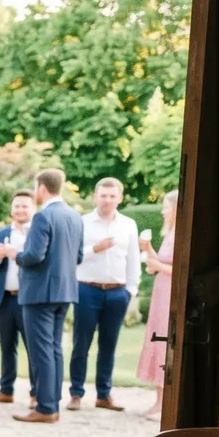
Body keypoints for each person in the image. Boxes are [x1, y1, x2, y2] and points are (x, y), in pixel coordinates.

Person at [15, 169, 84, 423]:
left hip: (39, 293)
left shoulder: (43, 216)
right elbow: (78, 257)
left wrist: (16, 254)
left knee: (42, 350)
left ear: (42, 188)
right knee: (54, 348)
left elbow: (33, 256)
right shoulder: (75, 217)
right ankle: (51, 404)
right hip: (65, 291)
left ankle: (45, 408)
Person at [70, 177, 141, 412]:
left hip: (117, 292)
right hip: (87, 289)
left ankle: (104, 394)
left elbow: (133, 260)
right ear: (95, 197)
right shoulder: (82, 223)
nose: (107, 200)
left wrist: (131, 290)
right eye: (103, 195)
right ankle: (76, 393)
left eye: (112, 196)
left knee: (109, 345)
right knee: (81, 344)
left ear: (119, 198)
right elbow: (74, 256)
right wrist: (95, 249)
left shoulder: (128, 225)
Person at [0, 191, 36, 406]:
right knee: (7, 347)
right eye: (17, 206)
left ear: (33, 208)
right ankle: (6, 389)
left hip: (29, 299)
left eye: (24, 206)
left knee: (33, 348)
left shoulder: (37, 233)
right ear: (11, 209)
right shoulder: (1, 233)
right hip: (4, 299)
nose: (20, 210)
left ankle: (36, 393)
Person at [137, 190, 180, 418]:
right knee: (157, 339)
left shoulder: (181, 234)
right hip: (161, 292)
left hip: (170, 294)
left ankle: (165, 404)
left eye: (166, 206)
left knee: (165, 341)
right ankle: (158, 401)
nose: (163, 211)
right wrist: (148, 251)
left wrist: (157, 265)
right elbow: (161, 263)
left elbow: (180, 270)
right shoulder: (170, 233)